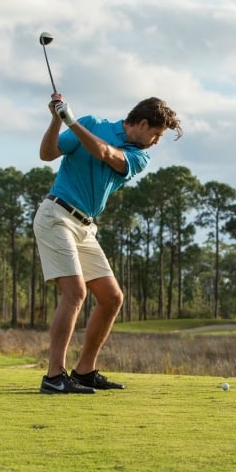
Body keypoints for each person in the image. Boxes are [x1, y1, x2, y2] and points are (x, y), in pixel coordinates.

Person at [35, 92, 182, 393]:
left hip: (85, 226)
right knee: (75, 293)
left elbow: (105, 154)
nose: (156, 142)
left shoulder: (140, 157)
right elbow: (48, 154)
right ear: (142, 124)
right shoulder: (92, 124)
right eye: (156, 135)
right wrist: (56, 121)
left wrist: (71, 122)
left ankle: (84, 371)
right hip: (56, 214)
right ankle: (54, 377)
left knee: (112, 298)